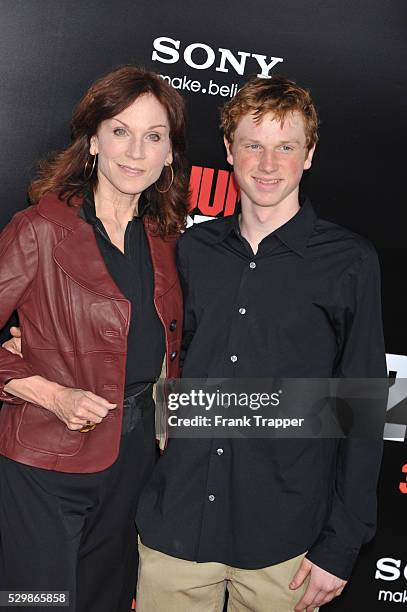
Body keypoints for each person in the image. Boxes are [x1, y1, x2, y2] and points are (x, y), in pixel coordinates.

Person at [134, 76, 387, 611]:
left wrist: (341, 545)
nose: (267, 163)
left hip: (285, 549)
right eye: (252, 144)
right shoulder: (190, 250)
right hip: (176, 530)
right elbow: (146, 356)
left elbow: (362, 414)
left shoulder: (350, 261)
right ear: (229, 150)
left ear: (309, 154)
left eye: (285, 146)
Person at [0, 65, 188, 612]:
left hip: (133, 461)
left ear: (170, 154)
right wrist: (47, 391)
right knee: (37, 603)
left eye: (153, 136)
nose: (136, 151)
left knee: (105, 601)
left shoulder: (167, 241)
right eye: (120, 131)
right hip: (44, 459)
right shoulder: (39, 229)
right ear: (92, 142)